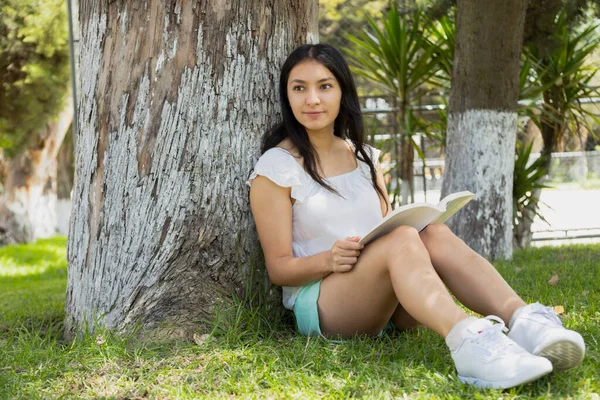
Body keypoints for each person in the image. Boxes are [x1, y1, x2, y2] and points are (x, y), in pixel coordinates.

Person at [247, 43, 585, 390]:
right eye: (299, 88)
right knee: (404, 239)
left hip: (387, 299)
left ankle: (525, 321)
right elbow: (279, 268)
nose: (312, 99)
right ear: (286, 96)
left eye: (324, 86)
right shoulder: (277, 167)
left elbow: (389, 228)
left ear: (342, 91)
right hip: (324, 304)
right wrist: (329, 259)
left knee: (432, 233)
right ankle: (470, 341)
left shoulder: (364, 158)